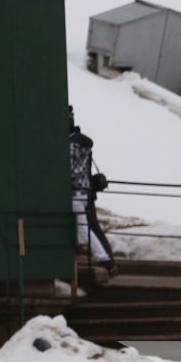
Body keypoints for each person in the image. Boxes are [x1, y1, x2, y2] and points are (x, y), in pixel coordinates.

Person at [68, 107, 116, 279]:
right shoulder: (84, 145)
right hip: (86, 192)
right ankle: (107, 260)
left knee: (84, 230)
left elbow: (69, 169)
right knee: (89, 228)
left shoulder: (70, 145)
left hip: (74, 193)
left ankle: (106, 261)